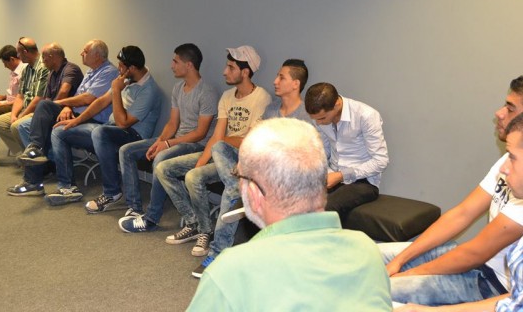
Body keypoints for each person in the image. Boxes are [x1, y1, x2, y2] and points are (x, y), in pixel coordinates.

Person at [187, 118, 392, 311]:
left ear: (254, 194)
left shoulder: (229, 272)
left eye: (240, 176)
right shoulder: (367, 251)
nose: (239, 184)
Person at [380, 76, 523, 306]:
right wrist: (400, 260)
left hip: (489, 286)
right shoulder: (509, 161)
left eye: (510, 107)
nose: (499, 113)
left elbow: (475, 252)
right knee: (370, 254)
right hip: (475, 264)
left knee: (378, 290)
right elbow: (462, 213)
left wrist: (407, 274)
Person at [192, 58, 312, 278]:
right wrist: (243, 162)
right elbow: (254, 139)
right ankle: (236, 185)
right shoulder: (272, 109)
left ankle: (217, 252)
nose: (275, 81)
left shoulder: (305, 116)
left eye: (281, 77)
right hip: (258, 168)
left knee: (232, 190)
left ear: (296, 84)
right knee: (219, 146)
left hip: (284, 175)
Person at [87, 44, 218, 233]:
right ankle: (134, 208)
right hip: (178, 139)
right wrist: (159, 142)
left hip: (196, 145)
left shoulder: (207, 92)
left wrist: (167, 144)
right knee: (127, 151)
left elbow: (200, 133)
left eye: (175, 61)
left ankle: (151, 218)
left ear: (189, 65)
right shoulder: (178, 88)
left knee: (160, 158)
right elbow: (172, 123)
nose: (171, 65)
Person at [156, 46, 271, 261]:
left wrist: (221, 142)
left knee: (196, 174)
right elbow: (217, 136)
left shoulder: (261, 97)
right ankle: (196, 224)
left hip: (240, 159)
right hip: (220, 153)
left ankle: (206, 232)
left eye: (231, 67)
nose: (224, 72)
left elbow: (248, 140)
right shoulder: (227, 96)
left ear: (245, 72)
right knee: (164, 168)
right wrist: (200, 162)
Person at [10, 45, 161, 203]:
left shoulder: (148, 89)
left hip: (133, 135)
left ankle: (112, 192)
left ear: (132, 68)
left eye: (121, 66)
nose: (119, 69)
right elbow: (100, 102)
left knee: (100, 132)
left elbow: (123, 123)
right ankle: (67, 188)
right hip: (110, 128)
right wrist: (75, 121)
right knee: (60, 131)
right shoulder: (127, 79)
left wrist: (116, 90)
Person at [5, 39, 119, 196]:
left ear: (98, 55)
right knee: (40, 112)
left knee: (51, 120)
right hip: (77, 113)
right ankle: (35, 153)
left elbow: (87, 99)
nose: (81, 53)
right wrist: (67, 107)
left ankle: (37, 175)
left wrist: (60, 103)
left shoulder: (109, 72)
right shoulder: (91, 72)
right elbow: (76, 97)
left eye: (85, 51)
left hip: (93, 119)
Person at [304, 82, 389, 221]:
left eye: (322, 118)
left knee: (324, 209)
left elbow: (381, 161)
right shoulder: (320, 119)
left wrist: (341, 176)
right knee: (293, 200)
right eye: (315, 119)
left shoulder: (366, 116)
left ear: (337, 104)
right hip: (332, 175)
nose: (318, 123)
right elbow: (324, 152)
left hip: (363, 182)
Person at [16, 42, 84, 147]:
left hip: (68, 110)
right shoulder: (51, 73)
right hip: (55, 111)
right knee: (23, 126)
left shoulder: (71, 69)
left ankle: (36, 147)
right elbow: (47, 98)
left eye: (44, 57)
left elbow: (64, 91)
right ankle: (40, 154)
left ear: (52, 57)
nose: (42, 60)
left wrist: (49, 107)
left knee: (43, 105)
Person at [0, 37, 49, 155]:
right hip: (26, 109)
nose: (17, 55)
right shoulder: (27, 69)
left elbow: (39, 98)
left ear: (25, 52)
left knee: (16, 125)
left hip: (37, 111)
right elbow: (20, 96)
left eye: (18, 53)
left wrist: (21, 115)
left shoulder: (43, 68)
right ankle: (24, 153)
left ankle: (35, 156)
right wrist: (14, 115)